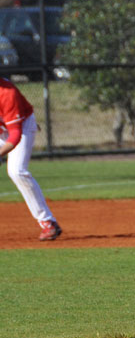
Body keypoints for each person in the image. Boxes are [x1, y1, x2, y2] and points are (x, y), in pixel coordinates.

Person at [0, 77, 62, 241]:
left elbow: (14, 135)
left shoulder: (7, 92)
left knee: (17, 171)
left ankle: (48, 222)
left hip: (21, 126)